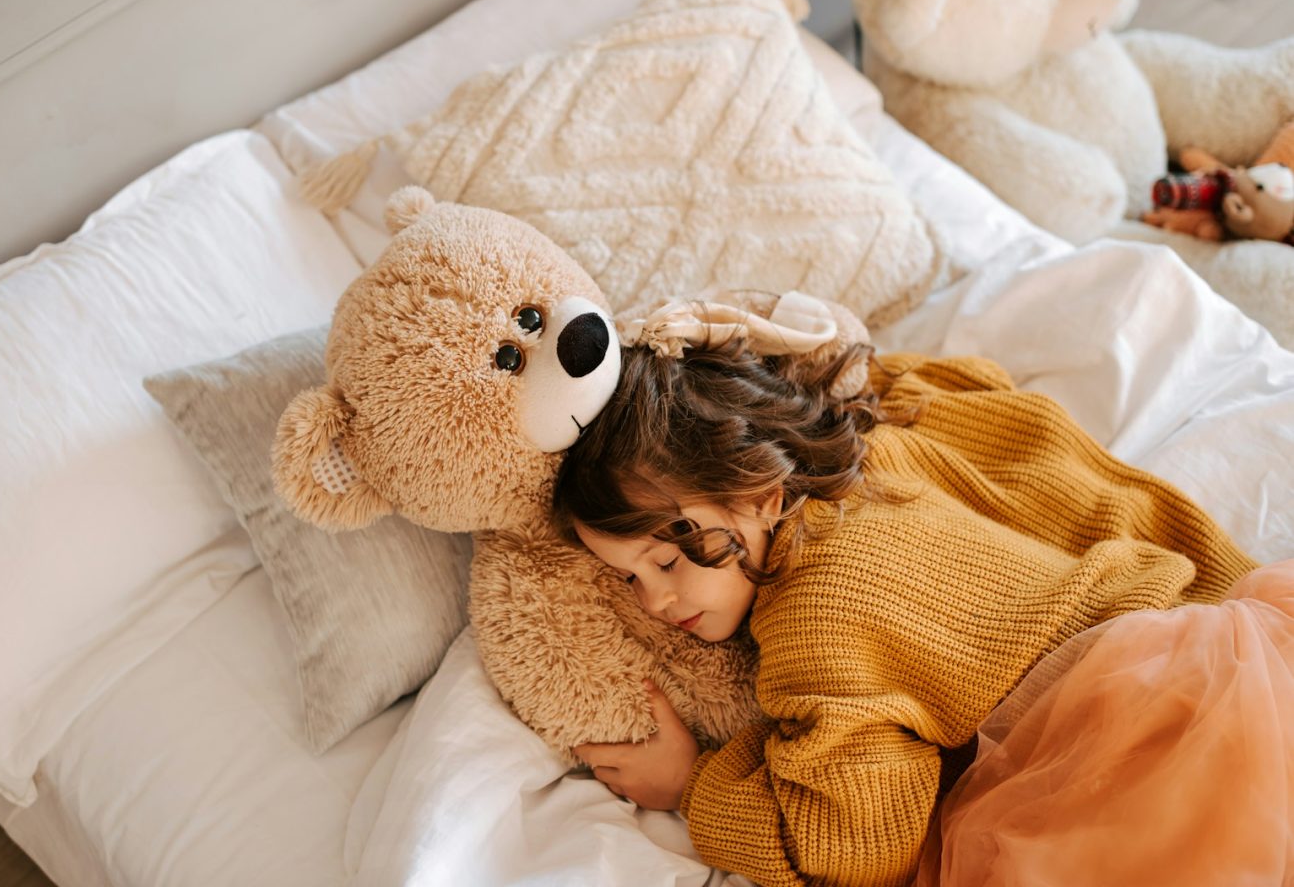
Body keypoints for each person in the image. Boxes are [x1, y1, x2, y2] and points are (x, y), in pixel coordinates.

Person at [551, 304, 1292, 887]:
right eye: (629, 578)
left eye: (665, 558)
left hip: (1129, 751)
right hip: (1218, 647)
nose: (652, 603)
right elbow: (1025, 437)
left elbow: (858, 844)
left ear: (759, 492)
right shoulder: (879, 445)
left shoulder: (814, 617)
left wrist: (694, 784)